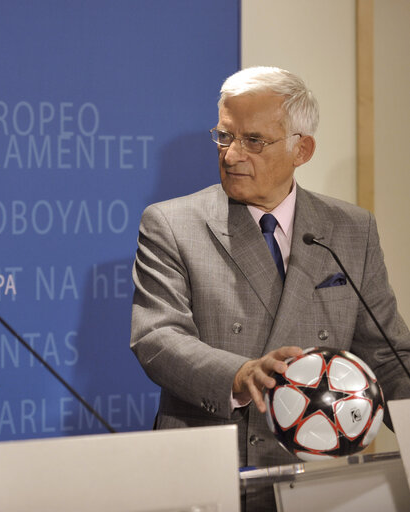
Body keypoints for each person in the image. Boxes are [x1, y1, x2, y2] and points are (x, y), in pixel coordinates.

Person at [130, 66, 410, 510]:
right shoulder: (171, 223)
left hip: (318, 473)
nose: (232, 155)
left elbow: (386, 356)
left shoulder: (352, 229)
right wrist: (241, 375)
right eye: (224, 137)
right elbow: (157, 339)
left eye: (253, 141)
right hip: (209, 469)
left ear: (303, 149)